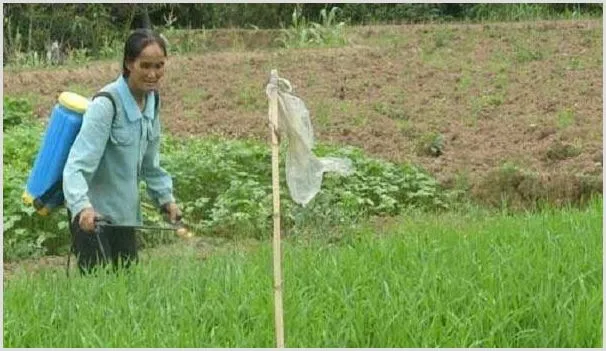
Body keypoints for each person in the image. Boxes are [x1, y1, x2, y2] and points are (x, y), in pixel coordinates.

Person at [63, 28, 181, 274]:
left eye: (159, 66)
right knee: (97, 294)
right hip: (93, 219)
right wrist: (83, 207)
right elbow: (76, 166)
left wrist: (166, 200)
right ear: (129, 63)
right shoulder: (106, 105)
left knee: (125, 291)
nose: (153, 74)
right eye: (145, 65)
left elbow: (151, 163)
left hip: (124, 217)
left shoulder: (152, 101)